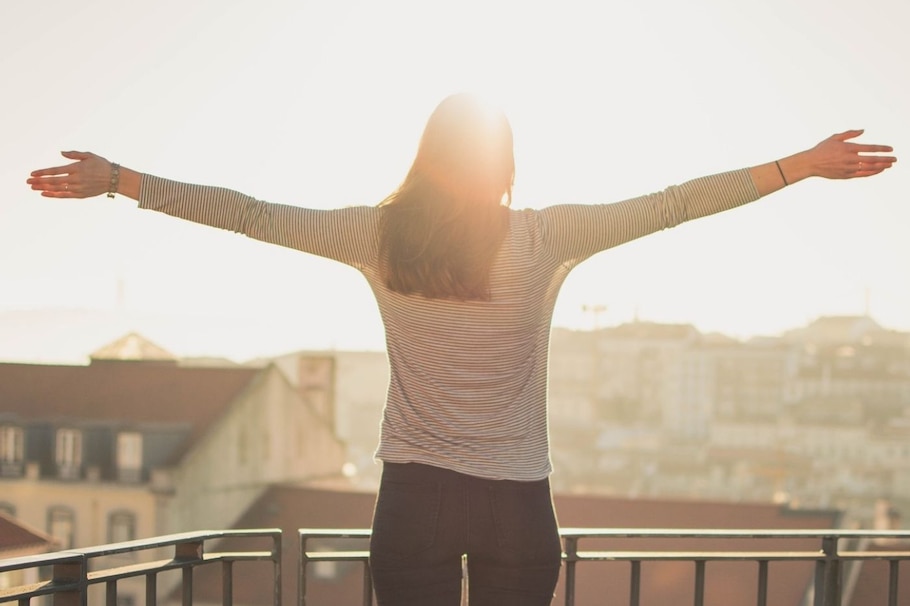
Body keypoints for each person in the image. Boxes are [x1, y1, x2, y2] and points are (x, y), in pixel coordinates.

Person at [27, 93, 896, 606]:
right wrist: (798, 164)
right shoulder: (542, 236)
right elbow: (673, 203)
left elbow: (251, 213)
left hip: (415, 498)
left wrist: (122, 182)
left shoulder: (378, 235)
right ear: (504, 164)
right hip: (519, 505)